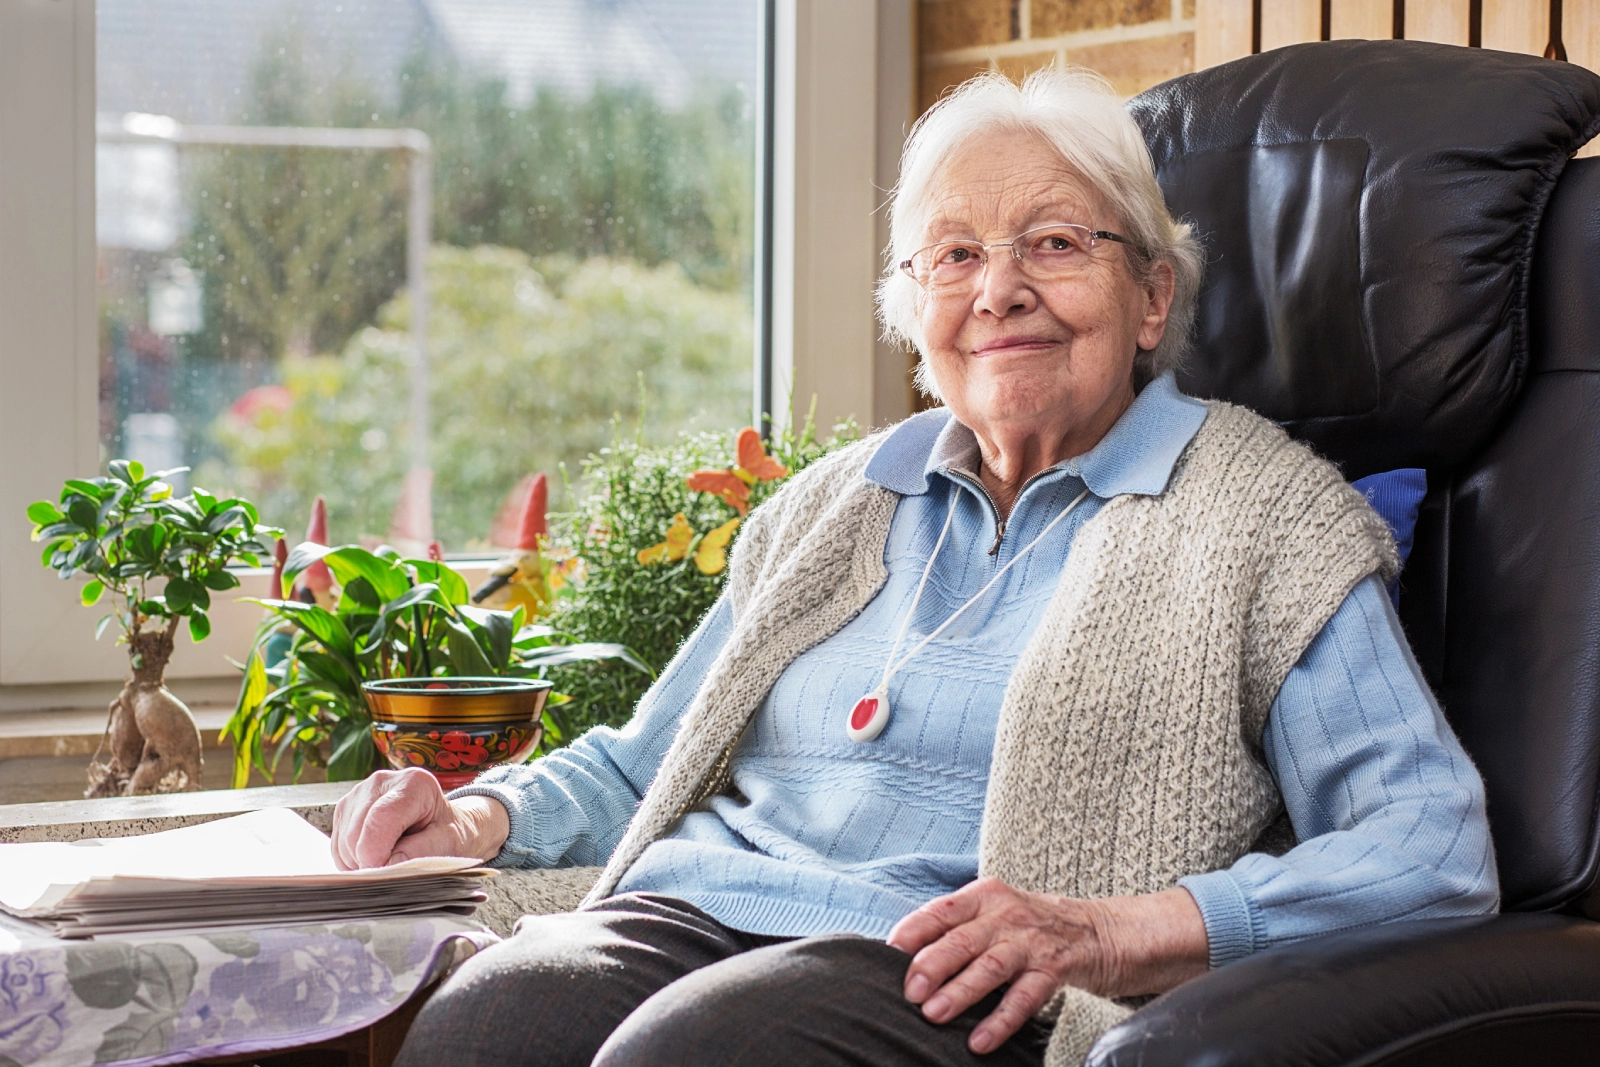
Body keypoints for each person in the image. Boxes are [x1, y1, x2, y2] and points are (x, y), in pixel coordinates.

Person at [332, 67, 1498, 1067]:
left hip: (930, 958)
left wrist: (1109, 929)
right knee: (477, 1023)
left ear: (1150, 297)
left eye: (1054, 242)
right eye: (953, 255)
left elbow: (1429, 848)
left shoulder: (1263, 515)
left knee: (691, 1052)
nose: (999, 289)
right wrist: (481, 814)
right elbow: (649, 766)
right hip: (697, 905)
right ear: (913, 309)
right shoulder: (831, 505)